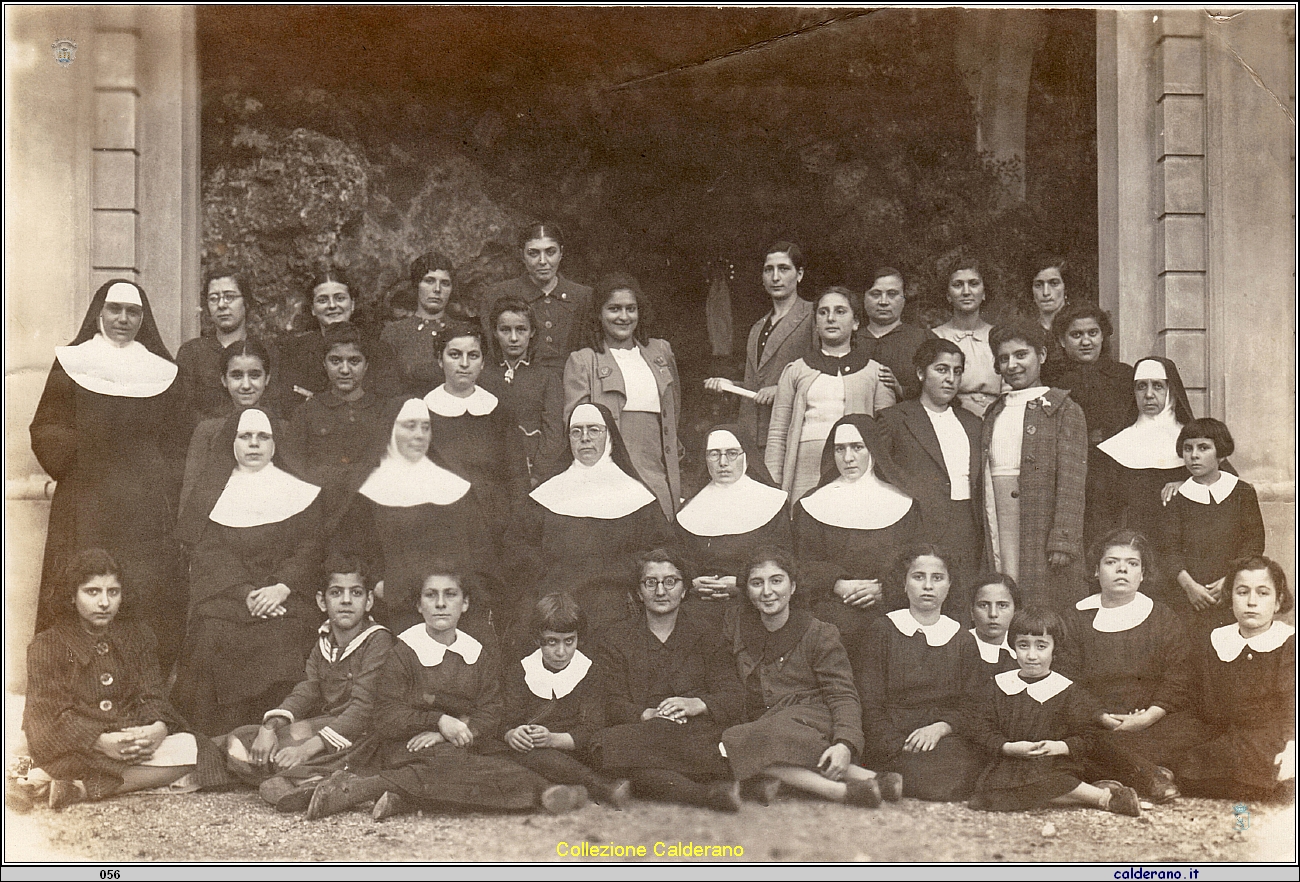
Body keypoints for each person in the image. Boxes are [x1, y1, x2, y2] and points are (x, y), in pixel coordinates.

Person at [304, 567, 590, 820]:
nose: (441, 604)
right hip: (409, 747)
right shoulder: (403, 652)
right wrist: (437, 721)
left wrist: (458, 729)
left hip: (464, 742)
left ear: (464, 603)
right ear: (418, 604)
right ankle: (545, 792)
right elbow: (386, 716)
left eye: (450, 595)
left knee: (491, 758)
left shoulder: (476, 653)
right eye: (431, 595)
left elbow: (492, 709)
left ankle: (394, 793)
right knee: (452, 762)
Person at [30, 279, 188, 670]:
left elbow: (179, 438)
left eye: (132, 312)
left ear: (142, 317)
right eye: (115, 309)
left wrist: (157, 477)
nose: (123, 318)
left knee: (142, 591)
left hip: (143, 508)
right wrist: (77, 458)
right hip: (85, 501)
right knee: (81, 586)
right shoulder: (72, 362)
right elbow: (46, 425)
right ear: (99, 312)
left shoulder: (162, 371)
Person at [19, 549, 213, 810]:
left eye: (113, 592)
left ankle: (76, 788)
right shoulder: (48, 644)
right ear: (71, 597)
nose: (104, 603)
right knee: (34, 746)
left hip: (127, 741)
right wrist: (99, 741)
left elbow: (151, 694)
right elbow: (48, 715)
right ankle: (60, 778)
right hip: (77, 745)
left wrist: (158, 728)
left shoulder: (138, 636)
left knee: (191, 748)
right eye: (92, 592)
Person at [172, 408, 323, 736]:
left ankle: (276, 735)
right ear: (232, 442)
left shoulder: (298, 491)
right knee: (212, 637)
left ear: (274, 444)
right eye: (245, 436)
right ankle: (217, 736)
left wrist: (282, 587)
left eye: (263, 437)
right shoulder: (212, 493)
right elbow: (211, 554)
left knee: (290, 636)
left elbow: (309, 547)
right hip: (230, 596)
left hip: (286, 595)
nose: (254, 444)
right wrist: (247, 594)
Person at [720, 549, 902, 808]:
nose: (767, 591)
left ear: (792, 586)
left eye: (776, 580)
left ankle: (840, 791)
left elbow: (842, 693)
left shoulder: (819, 632)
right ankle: (869, 780)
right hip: (766, 721)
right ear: (747, 591)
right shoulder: (736, 625)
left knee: (740, 740)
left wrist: (844, 744)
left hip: (812, 718)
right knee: (740, 736)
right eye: (756, 583)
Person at [216, 552, 395, 812]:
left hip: (362, 733)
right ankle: (306, 779)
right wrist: (269, 726)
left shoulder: (377, 641)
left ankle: (319, 780)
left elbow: (363, 710)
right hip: (327, 728)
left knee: (276, 773)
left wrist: (306, 749)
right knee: (243, 737)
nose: (346, 601)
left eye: (356, 593)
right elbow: (308, 689)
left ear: (369, 601)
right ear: (322, 601)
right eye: (336, 593)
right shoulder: (324, 640)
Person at [595, 549, 746, 811]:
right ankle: (709, 792)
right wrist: (646, 714)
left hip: (692, 728)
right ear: (639, 592)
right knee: (604, 745)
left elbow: (732, 693)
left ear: (685, 590)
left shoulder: (707, 634)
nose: (660, 591)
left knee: (623, 755)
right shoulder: (616, 638)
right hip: (645, 730)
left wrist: (696, 703)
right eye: (650, 582)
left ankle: (678, 783)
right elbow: (610, 700)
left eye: (670, 581)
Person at [332, 398, 489, 635]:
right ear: (390, 429)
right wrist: (376, 584)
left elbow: (478, 555)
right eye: (410, 426)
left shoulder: (454, 486)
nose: (419, 435)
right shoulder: (368, 489)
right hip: (391, 608)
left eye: (426, 427)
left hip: (451, 609)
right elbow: (350, 550)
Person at [963, 608, 1142, 816]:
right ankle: (1089, 793)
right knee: (988, 795)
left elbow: (1088, 736)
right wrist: (1008, 747)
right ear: (1013, 647)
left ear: (1054, 648)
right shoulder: (999, 685)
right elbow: (982, 729)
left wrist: (1061, 746)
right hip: (1011, 762)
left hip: (1053, 764)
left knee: (1052, 779)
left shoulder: (1066, 690)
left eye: (1041, 646)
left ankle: (1105, 799)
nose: (1031, 655)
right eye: (1023, 646)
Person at [513, 403, 674, 635]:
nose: (585, 438)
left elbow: (662, 550)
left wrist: (625, 573)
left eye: (594, 430)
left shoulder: (636, 495)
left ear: (609, 436)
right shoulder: (545, 495)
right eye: (576, 431)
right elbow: (517, 546)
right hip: (555, 605)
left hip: (617, 605)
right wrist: (548, 577)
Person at [1058, 530, 1191, 803]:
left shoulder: (1163, 617)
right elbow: (1066, 679)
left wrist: (1148, 717)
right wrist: (1101, 717)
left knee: (1194, 732)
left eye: (1132, 563)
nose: (1122, 569)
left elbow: (1179, 675)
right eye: (1111, 562)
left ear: (1143, 573)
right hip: (1095, 721)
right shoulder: (1075, 618)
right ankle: (1150, 775)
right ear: (1096, 570)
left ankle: (1115, 775)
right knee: (1079, 740)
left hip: (1152, 722)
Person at [793, 415, 919, 674]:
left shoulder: (905, 503)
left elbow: (914, 560)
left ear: (872, 448)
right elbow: (801, 562)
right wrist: (837, 584)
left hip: (889, 605)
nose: (848, 458)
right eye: (840, 449)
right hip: (830, 607)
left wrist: (885, 588)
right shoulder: (811, 505)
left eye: (857, 447)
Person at [858, 545, 984, 801]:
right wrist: (896, 743)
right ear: (904, 584)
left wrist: (940, 728)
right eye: (918, 577)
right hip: (892, 738)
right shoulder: (882, 630)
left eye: (937, 578)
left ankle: (886, 781)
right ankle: (887, 776)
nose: (928, 586)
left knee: (961, 767)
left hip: (942, 738)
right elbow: (869, 702)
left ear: (949, 585)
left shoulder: (962, 639)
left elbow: (972, 705)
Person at [980, 320, 1087, 612]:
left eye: (1021, 355)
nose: (1012, 365)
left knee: (1042, 600)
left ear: (1041, 355)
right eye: (1004, 358)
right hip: (1000, 517)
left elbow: (1072, 481)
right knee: (1004, 587)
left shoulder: (1064, 408)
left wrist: (1063, 539)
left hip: (1041, 519)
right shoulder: (994, 411)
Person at [491, 592, 631, 808]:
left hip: (574, 748)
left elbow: (592, 727)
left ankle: (586, 788)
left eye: (569, 641)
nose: (561, 652)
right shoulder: (521, 670)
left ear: (578, 638)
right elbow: (506, 719)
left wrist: (552, 739)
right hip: (532, 751)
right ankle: (584, 790)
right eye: (551, 642)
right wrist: (512, 734)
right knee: (513, 755)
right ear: (538, 639)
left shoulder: (589, 671)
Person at [876, 337, 985, 612]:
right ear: (921, 372)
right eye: (941, 369)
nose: (950, 378)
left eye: (957, 371)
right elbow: (882, 478)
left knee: (961, 608)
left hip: (967, 530)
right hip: (919, 528)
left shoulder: (973, 423)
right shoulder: (895, 418)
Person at [1174, 556, 1296, 801]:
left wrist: (1292, 746)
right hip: (1226, 734)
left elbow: (1291, 706)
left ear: (1278, 601)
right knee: (1188, 763)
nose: (1251, 602)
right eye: (1242, 592)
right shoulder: (1218, 639)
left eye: (1263, 593)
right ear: (1230, 599)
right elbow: (1202, 700)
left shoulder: (1288, 643)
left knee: (1255, 775)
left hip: (1271, 735)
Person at [565, 273, 681, 521]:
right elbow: (577, 428)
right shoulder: (584, 360)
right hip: (611, 470)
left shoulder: (660, 351)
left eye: (631, 309)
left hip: (657, 467)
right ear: (598, 313)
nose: (624, 317)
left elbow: (673, 408)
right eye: (614, 309)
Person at [765, 286, 895, 502]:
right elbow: (778, 433)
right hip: (804, 469)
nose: (831, 318)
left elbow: (887, 435)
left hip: (855, 469)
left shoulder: (874, 372)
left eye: (840, 311)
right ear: (815, 324)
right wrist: (773, 483)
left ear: (855, 323)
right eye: (823, 312)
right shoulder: (796, 370)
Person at [424, 322, 530, 546]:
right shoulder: (421, 412)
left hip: (494, 529)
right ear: (439, 360)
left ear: (482, 363)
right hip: (438, 528)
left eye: (473, 355)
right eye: (454, 354)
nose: (464, 364)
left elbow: (517, 478)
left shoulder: (499, 411)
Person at [705, 242, 814, 455]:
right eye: (768, 270)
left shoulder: (814, 316)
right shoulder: (757, 327)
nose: (775, 277)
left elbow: (826, 373)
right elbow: (755, 386)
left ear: (799, 274)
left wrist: (782, 390)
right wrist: (731, 385)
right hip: (752, 437)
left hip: (791, 433)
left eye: (783, 269)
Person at [1161, 418, 1265, 631]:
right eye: (1188, 448)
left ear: (1221, 453)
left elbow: (1254, 543)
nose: (1194, 455)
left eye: (1203, 448)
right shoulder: (1177, 498)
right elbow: (1168, 550)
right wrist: (1190, 587)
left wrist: (1230, 581)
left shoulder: (1242, 492)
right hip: (1188, 597)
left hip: (1233, 591)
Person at [676, 425, 790, 614]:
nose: (722, 462)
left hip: (756, 605)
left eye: (732, 453)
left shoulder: (772, 502)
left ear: (745, 456)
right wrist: (691, 583)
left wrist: (743, 584)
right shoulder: (689, 507)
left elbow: (783, 561)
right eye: (714, 454)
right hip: (698, 605)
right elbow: (677, 560)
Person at [1048, 302, 1136, 547]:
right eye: (1076, 335)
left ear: (1103, 336)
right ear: (1063, 341)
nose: (1085, 341)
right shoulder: (1051, 380)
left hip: (1115, 472)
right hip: (1069, 471)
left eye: (1092, 333)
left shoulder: (1124, 376)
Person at [288, 322, 390, 517]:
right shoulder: (306, 413)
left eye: (354, 361)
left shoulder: (384, 412)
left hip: (372, 518)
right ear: (323, 364)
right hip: (322, 517)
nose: (344, 370)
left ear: (366, 365)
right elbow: (295, 474)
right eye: (335, 361)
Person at [1092, 356, 1197, 545]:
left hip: (1183, 548)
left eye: (1157, 386)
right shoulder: (1114, 447)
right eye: (1141, 386)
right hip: (1131, 549)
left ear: (1171, 391)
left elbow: (1225, 484)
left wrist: (1190, 484)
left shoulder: (1194, 441)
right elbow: (1100, 513)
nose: (1148, 394)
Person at [277, 266, 401, 413]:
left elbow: (387, 402)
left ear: (352, 304)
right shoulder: (294, 351)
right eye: (322, 300)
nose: (332, 306)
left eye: (340, 298)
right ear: (312, 309)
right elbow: (286, 402)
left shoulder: (379, 350)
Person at [480, 222, 593, 375]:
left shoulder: (583, 297)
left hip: (573, 383)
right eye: (533, 253)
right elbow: (493, 353)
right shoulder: (497, 295)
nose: (542, 261)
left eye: (550, 252)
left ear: (561, 253)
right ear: (522, 255)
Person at [179, 339, 276, 517]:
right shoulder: (207, 431)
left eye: (255, 375)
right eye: (237, 376)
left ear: (267, 378)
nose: (246, 385)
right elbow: (191, 495)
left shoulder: (281, 429)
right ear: (224, 380)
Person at [478, 296, 565, 485]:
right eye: (505, 330)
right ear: (494, 332)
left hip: (532, 473)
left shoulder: (547, 378)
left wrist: (537, 476)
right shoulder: (482, 376)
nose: (514, 338)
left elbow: (554, 433)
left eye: (521, 329)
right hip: (490, 475)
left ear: (532, 332)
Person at [176, 269, 270, 424]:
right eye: (214, 298)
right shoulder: (192, 353)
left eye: (229, 297)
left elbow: (274, 405)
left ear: (245, 302)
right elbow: (183, 411)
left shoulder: (266, 351)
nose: (221, 305)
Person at [931, 259, 1002, 417]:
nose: (966, 291)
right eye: (957, 285)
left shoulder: (999, 336)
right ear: (948, 295)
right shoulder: (934, 337)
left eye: (974, 284)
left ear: (984, 292)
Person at [381, 251, 456, 396]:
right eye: (429, 281)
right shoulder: (394, 333)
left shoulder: (462, 331)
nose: (437, 289)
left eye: (445, 283)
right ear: (416, 285)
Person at [856, 267, 931, 401]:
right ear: (864, 298)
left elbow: (937, 388)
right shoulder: (850, 340)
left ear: (903, 299)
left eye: (892, 294)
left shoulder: (923, 339)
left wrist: (902, 390)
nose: (883, 302)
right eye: (875, 294)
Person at [1025, 257, 1070, 386]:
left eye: (1054, 283)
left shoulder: (1079, 328)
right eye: (1038, 285)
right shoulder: (1027, 331)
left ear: (1065, 287)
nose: (1046, 292)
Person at [969, 574, 1020, 675]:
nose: (993, 614)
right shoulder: (957, 648)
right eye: (983, 605)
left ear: (1015, 611)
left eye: (1002, 605)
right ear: (972, 612)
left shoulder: (1024, 650)